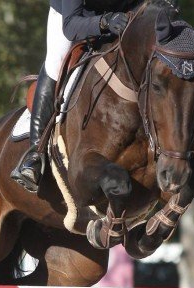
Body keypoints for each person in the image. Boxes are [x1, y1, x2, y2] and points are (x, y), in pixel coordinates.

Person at [11, 0, 133, 193]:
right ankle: (35, 154)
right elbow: (70, 26)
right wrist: (104, 22)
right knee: (56, 62)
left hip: (121, 14)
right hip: (72, 18)